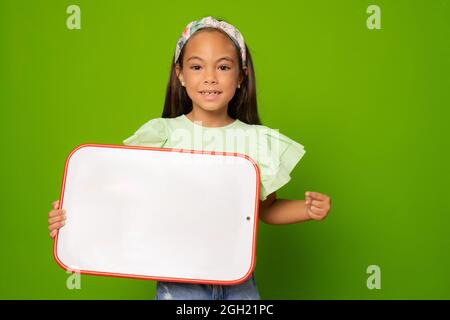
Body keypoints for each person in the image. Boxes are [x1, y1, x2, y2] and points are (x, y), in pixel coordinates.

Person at [48, 16, 331, 300]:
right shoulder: (162, 135)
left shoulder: (257, 141)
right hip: (179, 279)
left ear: (241, 75)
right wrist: (73, 214)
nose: (210, 77)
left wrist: (307, 210)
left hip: (237, 277)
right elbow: (125, 200)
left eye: (223, 67)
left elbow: (265, 211)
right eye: (197, 67)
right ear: (180, 74)